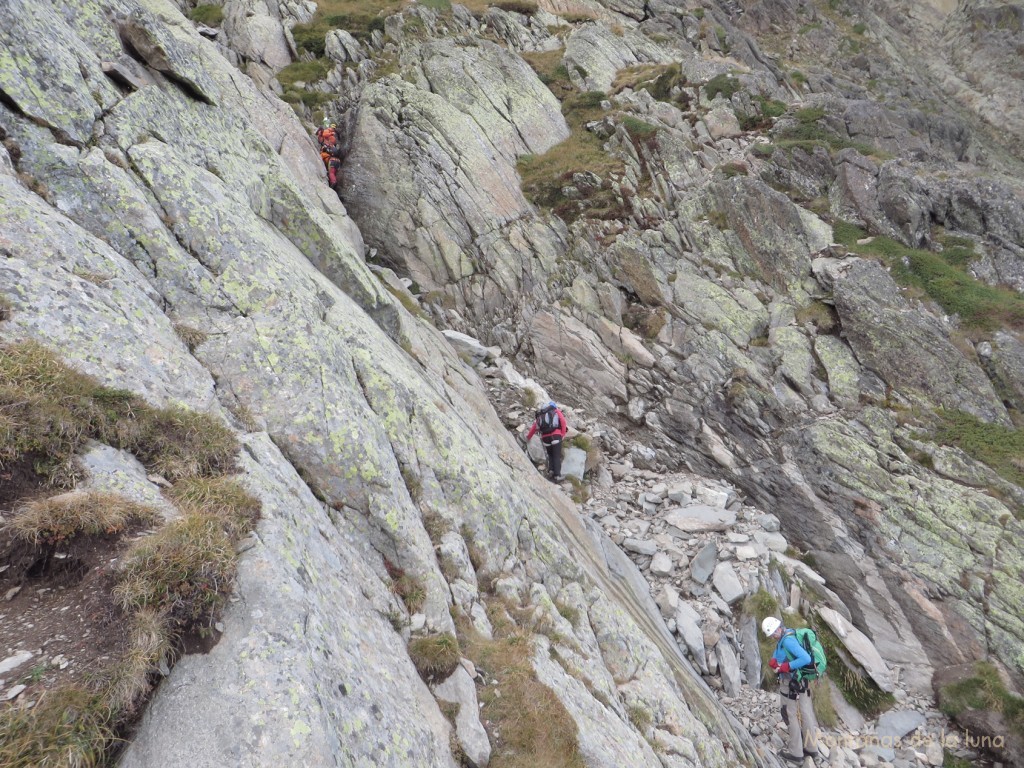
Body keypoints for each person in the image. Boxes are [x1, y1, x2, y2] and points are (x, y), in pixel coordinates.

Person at [762, 616, 820, 763]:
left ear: (779, 627)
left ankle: (796, 753)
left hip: (791, 682)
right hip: (802, 681)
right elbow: (781, 653)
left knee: (789, 713)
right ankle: (812, 749)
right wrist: (774, 661)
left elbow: (805, 658)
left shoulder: (787, 640)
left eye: (775, 632)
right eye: (772, 634)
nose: (774, 636)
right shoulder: (787, 635)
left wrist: (785, 667)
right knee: (806, 713)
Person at [526, 401, 567, 480]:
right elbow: (563, 421)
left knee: (550, 455)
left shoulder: (540, 415)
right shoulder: (555, 411)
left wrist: (528, 437)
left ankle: (551, 471)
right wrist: (562, 434)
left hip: (545, 438)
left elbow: (534, 427)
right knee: (556, 456)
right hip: (556, 436)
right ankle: (557, 475)